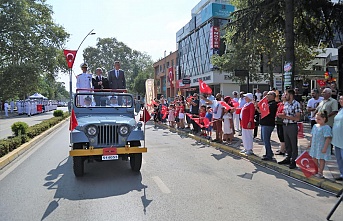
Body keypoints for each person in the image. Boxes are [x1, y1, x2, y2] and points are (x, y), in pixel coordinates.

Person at [277, 89, 301, 169]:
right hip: (285, 125)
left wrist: (285, 117)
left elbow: (297, 118)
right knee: (287, 143)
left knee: (293, 144)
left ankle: (293, 160)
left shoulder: (296, 104)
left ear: (291, 95)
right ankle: (288, 157)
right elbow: (285, 113)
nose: (285, 96)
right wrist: (281, 115)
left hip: (292, 125)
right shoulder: (286, 104)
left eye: (286, 94)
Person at [307, 111, 332, 178]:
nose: (317, 120)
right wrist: (310, 143)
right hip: (315, 146)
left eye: (319, 119)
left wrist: (325, 148)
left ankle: (320, 172)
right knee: (314, 158)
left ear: (324, 119)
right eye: (316, 119)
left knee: (321, 159)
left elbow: (328, 138)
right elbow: (312, 135)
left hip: (321, 146)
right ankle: (316, 170)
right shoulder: (315, 126)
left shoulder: (326, 127)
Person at [258, 91, 278, 161]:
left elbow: (266, 111)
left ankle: (269, 155)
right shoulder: (268, 103)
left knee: (266, 140)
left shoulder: (273, 104)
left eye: (269, 94)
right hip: (264, 123)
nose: (267, 96)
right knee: (264, 139)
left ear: (273, 96)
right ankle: (269, 152)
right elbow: (261, 111)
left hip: (268, 124)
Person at [332, 95, 343, 180]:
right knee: (338, 158)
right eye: (340, 99)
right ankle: (342, 173)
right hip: (337, 138)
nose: (340, 100)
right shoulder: (340, 110)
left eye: (342, 99)